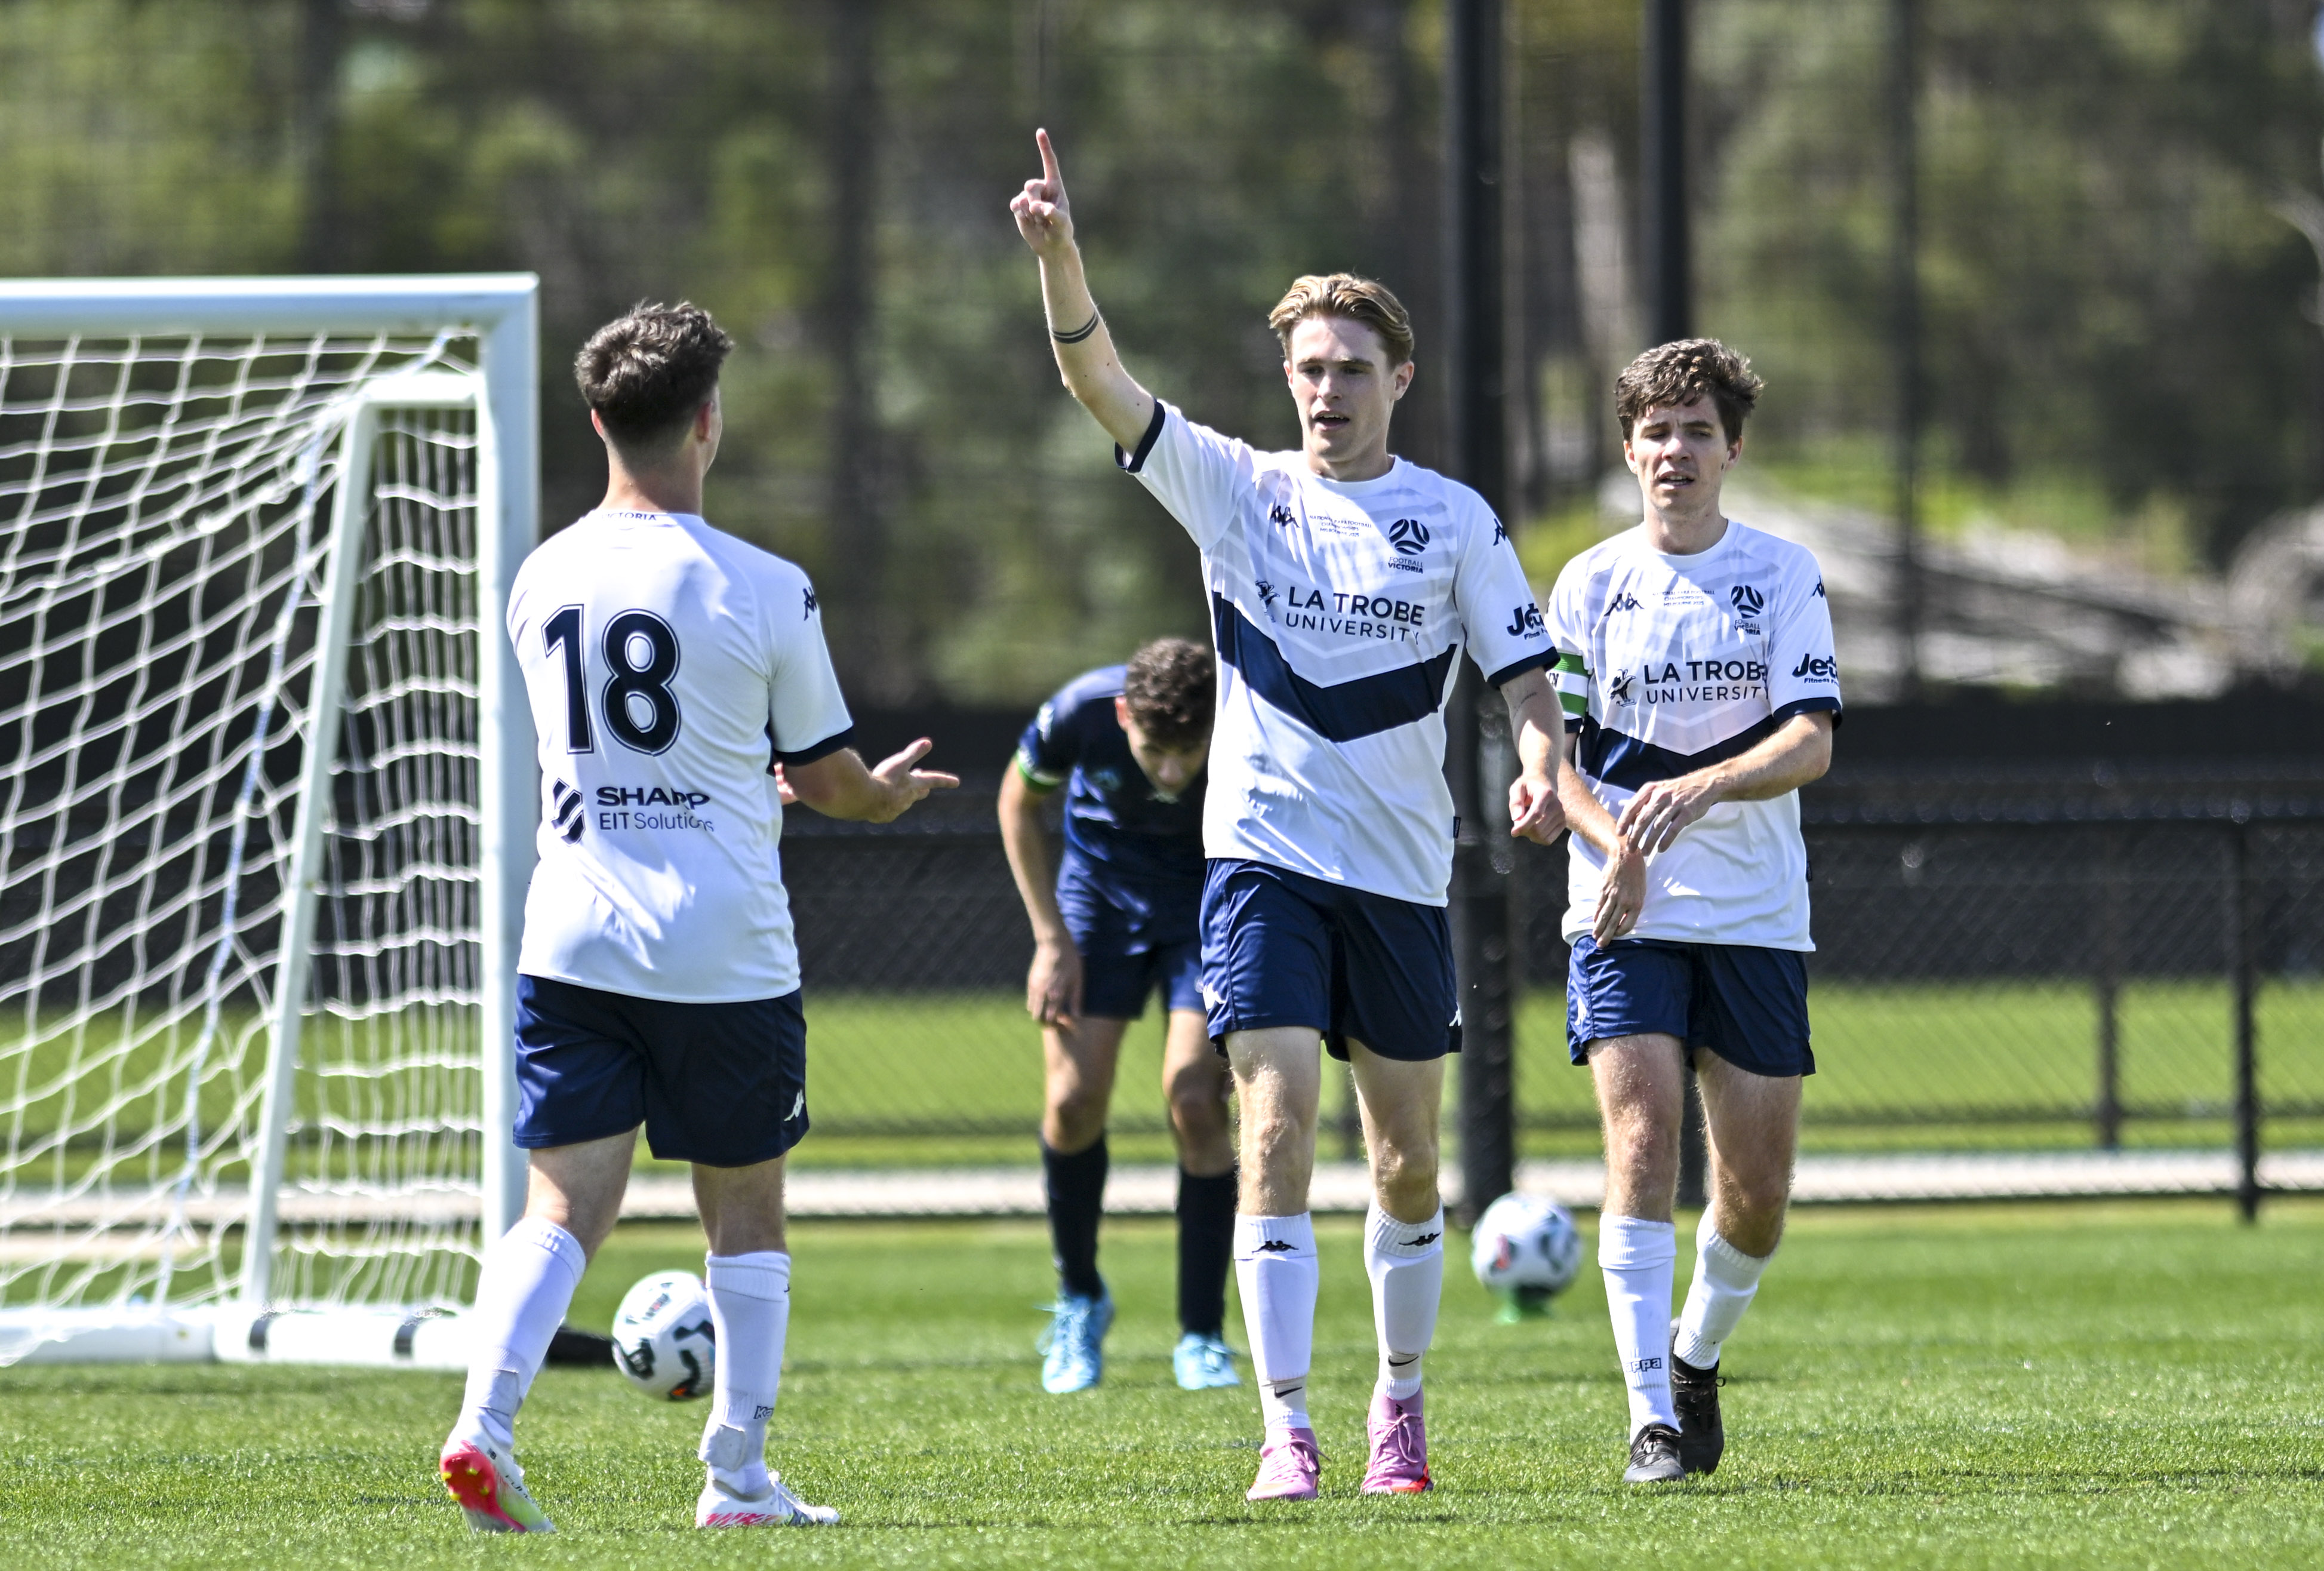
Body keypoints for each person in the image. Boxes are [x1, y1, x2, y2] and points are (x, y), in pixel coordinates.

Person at [1010, 131, 1567, 1501]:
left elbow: (1518, 672)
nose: (1325, 389)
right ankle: (1282, 1423)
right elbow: (1097, 382)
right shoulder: (1234, 484)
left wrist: (1544, 762)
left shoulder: (1449, 519)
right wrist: (1060, 261)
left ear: (1399, 379)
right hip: (1260, 861)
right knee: (1266, 1122)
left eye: (1349, 368)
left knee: (1404, 1154)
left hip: (1394, 876)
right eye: (1307, 368)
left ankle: (1397, 1402)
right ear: (1286, 379)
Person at [437, 302, 956, 1533]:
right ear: (708, 423)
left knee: (558, 1209)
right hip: (721, 950)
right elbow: (828, 780)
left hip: (570, 939)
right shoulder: (766, 587)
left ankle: (481, 1425)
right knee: (745, 1213)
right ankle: (734, 1476)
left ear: (598, 419)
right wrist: (874, 800)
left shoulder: (540, 574)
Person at [1540, 339, 1839, 1484]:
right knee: (1641, 1142)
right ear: (1628, 449)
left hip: (1756, 914)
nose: (1675, 452)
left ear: (1732, 449)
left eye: (1697, 432)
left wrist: (1705, 783)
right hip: (1621, 910)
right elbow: (1553, 756)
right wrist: (1609, 844)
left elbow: (1810, 740)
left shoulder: (1782, 574)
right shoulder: (1586, 584)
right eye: (1655, 433)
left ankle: (1695, 1353)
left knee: (1754, 1199)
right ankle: (1648, 1417)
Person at [1000, 638, 1241, 1394]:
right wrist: (1049, 939)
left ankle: (1201, 1335)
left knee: (1195, 1099)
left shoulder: (1245, 714)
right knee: (1072, 1104)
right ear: (1120, 717)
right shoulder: (1078, 711)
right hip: (1096, 905)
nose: (1171, 773)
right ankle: (1080, 1299)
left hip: (1205, 905)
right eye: (1153, 750)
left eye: (1188, 752)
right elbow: (1016, 801)